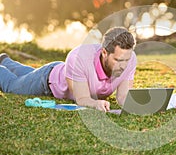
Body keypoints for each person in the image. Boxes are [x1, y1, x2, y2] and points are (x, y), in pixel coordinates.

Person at [0, 27, 137, 112]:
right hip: (47, 82)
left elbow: (123, 97)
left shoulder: (129, 59)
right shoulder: (79, 57)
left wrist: (142, 106)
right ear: (104, 53)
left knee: (27, 76)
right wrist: (95, 104)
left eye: (126, 60)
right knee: (12, 85)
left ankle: (5, 60)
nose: (123, 65)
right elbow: (82, 98)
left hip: (63, 70)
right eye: (118, 60)